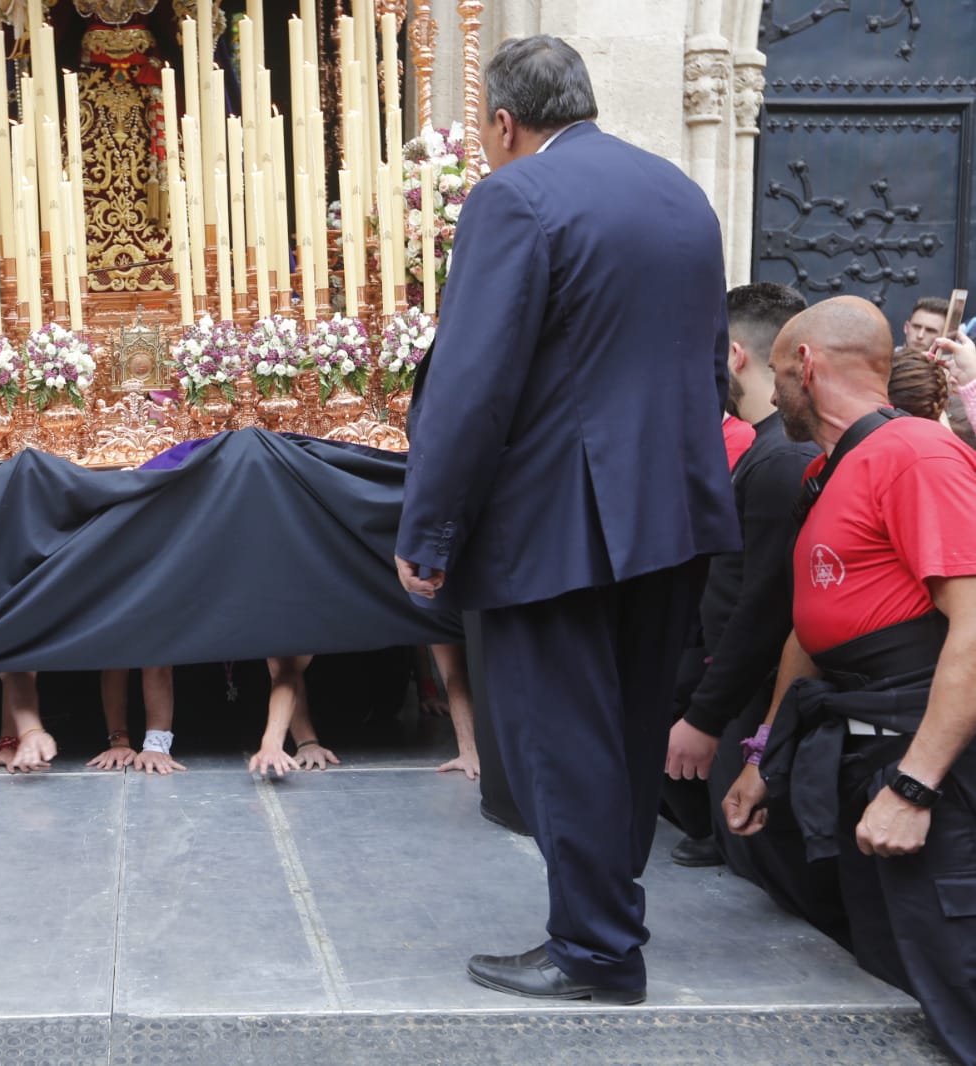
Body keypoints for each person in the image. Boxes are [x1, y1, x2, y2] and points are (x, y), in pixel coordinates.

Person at [394, 36, 739, 1005]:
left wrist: (427, 531)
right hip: (670, 508)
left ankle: (593, 949)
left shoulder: (515, 197)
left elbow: (473, 384)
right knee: (627, 729)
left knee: (562, 735)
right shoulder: (679, 192)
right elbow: (710, 360)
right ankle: (609, 921)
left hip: (559, 521)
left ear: (505, 124)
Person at [722, 296, 976, 1064]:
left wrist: (913, 789)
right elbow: (812, 625)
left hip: (921, 765)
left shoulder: (914, 456)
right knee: (890, 976)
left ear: (804, 367)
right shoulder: (832, 469)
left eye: (775, 374)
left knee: (956, 979)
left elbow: (973, 623)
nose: (770, 394)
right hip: (854, 747)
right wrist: (764, 755)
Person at [662, 284, 814, 869]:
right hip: (735, 687)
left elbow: (765, 602)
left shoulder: (780, 458)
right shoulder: (766, 447)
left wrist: (705, 713)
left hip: (753, 693)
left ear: (734, 355)